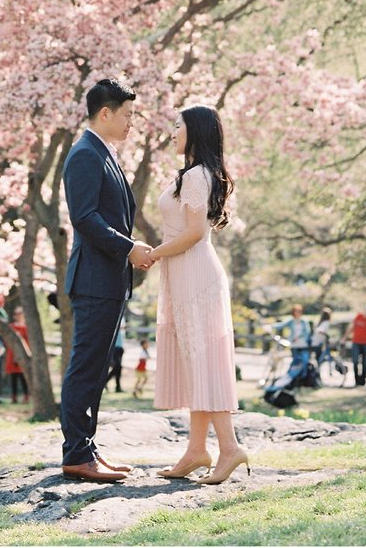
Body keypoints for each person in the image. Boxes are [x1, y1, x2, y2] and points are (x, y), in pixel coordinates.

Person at [59, 77, 153, 484]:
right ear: (105, 113)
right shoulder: (85, 154)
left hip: (108, 280)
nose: (132, 122)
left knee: (98, 368)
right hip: (94, 279)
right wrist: (129, 248)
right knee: (86, 366)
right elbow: (85, 218)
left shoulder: (104, 153)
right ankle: (76, 453)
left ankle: (87, 448)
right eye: (128, 114)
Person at [151, 105, 250, 485]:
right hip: (187, 273)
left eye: (178, 126)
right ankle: (196, 450)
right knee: (196, 360)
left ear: (195, 132)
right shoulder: (196, 174)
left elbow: (193, 232)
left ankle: (229, 448)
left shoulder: (195, 176)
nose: (172, 132)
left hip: (196, 275)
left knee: (203, 360)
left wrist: (155, 254)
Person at [266, 303, 313, 398]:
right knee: (295, 364)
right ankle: (292, 382)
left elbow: (307, 332)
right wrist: (270, 326)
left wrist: (298, 337)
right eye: (296, 311)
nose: (298, 313)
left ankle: (303, 381)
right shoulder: (291, 321)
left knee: (304, 363)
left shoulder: (304, 322)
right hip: (295, 345)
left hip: (303, 345)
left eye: (300, 311)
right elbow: (280, 325)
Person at [4, 306, 30, 402]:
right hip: (12, 354)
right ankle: (14, 397)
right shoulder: (11, 327)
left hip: (24, 354)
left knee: (23, 377)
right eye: (16, 314)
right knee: (13, 377)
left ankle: (26, 396)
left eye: (20, 314)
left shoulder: (27, 328)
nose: (18, 316)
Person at [108, 322, 126, 393]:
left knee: (118, 368)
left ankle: (118, 387)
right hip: (115, 348)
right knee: (117, 367)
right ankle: (104, 381)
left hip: (119, 348)